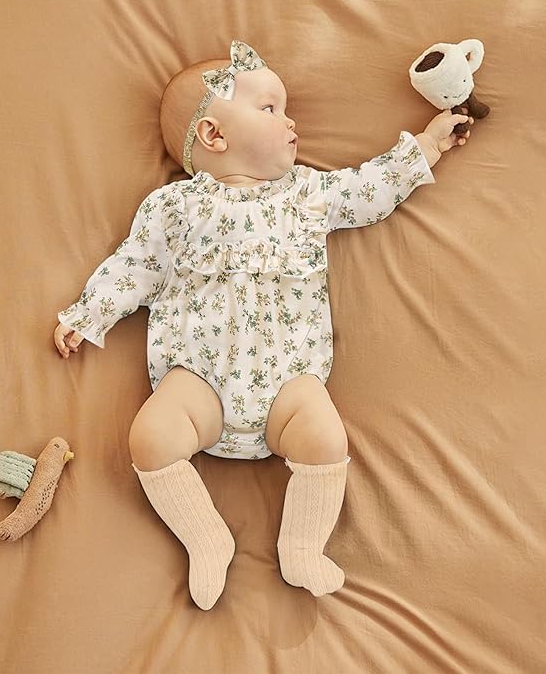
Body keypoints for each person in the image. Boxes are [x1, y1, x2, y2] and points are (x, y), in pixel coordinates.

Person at [53, 40, 474, 610]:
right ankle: (206, 540)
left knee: (326, 438)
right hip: (197, 381)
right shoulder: (172, 208)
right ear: (213, 135)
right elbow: (135, 266)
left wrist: (427, 145)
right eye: (270, 108)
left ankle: (302, 547)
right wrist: (89, 313)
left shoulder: (306, 192)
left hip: (287, 385)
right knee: (149, 437)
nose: (291, 121)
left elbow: (366, 190)